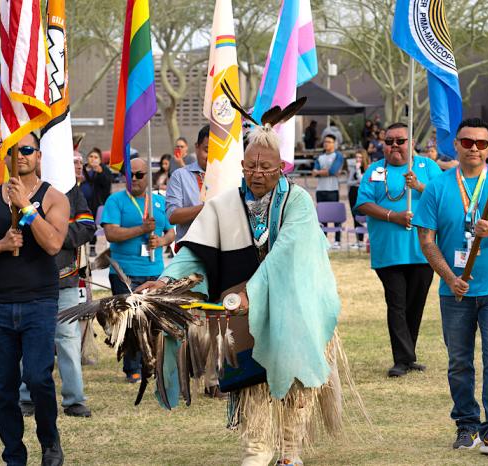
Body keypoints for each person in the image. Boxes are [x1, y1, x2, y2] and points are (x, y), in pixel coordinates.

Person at [136, 122, 346, 466]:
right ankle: (256, 454)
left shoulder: (298, 202)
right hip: (243, 317)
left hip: (294, 310)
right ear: (242, 166)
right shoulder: (224, 206)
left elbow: (286, 252)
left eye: (265, 167)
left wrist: (252, 289)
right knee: (251, 391)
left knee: (295, 389)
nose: (257, 173)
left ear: (281, 168)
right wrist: (165, 283)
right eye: (250, 166)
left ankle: (290, 453)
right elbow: (193, 253)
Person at [413, 118, 488, 457]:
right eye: (467, 142)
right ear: (456, 145)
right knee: (459, 362)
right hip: (455, 292)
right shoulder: (437, 186)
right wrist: (450, 278)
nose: (474, 149)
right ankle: (466, 424)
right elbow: (426, 239)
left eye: (481, 143)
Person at [0, 132, 70, 466]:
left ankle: (50, 442)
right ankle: (14, 456)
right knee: (3, 389)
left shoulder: (54, 198)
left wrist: (25, 206)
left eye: (27, 150)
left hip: (39, 301)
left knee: (38, 378)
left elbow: (53, 244)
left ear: (38, 156)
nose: (20, 155)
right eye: (13, 150)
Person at [355, 123, 442, 377]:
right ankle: (401, 360)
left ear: (411, 142)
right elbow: (364, 204)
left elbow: (445, 198)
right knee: (397, 304)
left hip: (423, 251)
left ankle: (408, 355)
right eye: (389, 141)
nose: (394, 146)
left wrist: (420, 188)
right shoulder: (375, 170)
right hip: (389, 253)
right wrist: (394, 216)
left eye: (400, 141)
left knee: (415, 305)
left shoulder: (427, 167)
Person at [19, 157, 97, 417]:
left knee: (68, 339)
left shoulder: (71, 191)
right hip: (28, 278)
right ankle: (27, 396)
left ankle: (74, 399)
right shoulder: (20, 190)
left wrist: (54, 232)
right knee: (28, 339)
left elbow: (87, 227)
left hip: (64, 279)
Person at [101, 157, 175, 383]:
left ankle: (150, 365)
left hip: (155, 271)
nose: (133, 179)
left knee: (153, 321)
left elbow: (171, 232)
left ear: (148, 177)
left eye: (139, 175)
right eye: (129, 174)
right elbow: (111, 233)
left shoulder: (159, 202)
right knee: (130, 321)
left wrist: (161, 242)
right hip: (125, 273)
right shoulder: (116, 201)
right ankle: (131, 367)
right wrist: (141, 229)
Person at [166, 125, 209, 243]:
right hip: (189, 248)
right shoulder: (179, 176)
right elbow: (172, 216)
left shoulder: (229, 176)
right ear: (197, 147)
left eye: (217, 152)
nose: (211, 156)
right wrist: (208, 207)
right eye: (207, 150)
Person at [313, 134, 345, 249]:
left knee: (335, 216)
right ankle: (323, 240)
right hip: (320, 190)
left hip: (333, 189)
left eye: (329, 141)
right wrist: (324, 172)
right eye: (325, 141)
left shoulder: (338, 156)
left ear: (334, 143)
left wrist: (320, 172)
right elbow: (313, 172)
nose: (326, 143)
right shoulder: (319, 157)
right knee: (322, 217)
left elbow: (333, 171)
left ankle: (337, 240)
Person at [81, 147, 113, 257]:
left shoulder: (103, 170)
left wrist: (100, 173)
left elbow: (107, 184)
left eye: (96, 157)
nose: (93, 159)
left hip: (96, 204)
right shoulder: (82, 169)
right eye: (91, 156)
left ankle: (93, 246)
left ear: (100, 160)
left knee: (94, 225)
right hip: (83, 202)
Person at [346, 149, 369, 249]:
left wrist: (358, 170)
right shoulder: (353, 169)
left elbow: (362, 180)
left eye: (360, 157)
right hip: (353, 192)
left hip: (362, 193)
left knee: (363, 215)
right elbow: (349, 182)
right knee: (355, 216)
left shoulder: (368, 168)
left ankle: (367, 239)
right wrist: (357, 181)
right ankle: (359, 241)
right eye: (356, 157)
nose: (358, 160)